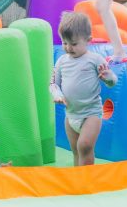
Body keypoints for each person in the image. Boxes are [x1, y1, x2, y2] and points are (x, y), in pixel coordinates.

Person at [50, 12, 118, 166]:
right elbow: (53, 84)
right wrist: (57, 94)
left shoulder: (95, 60)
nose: (68, 47)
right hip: (71, 115)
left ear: (88, 40)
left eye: (73, 44)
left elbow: (112, 82)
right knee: (75, 151)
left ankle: (88, 180)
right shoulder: (61, 61)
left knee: (85, 146)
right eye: (64, 43)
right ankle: (79, 180)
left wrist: (108, 77)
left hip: (91, 113)